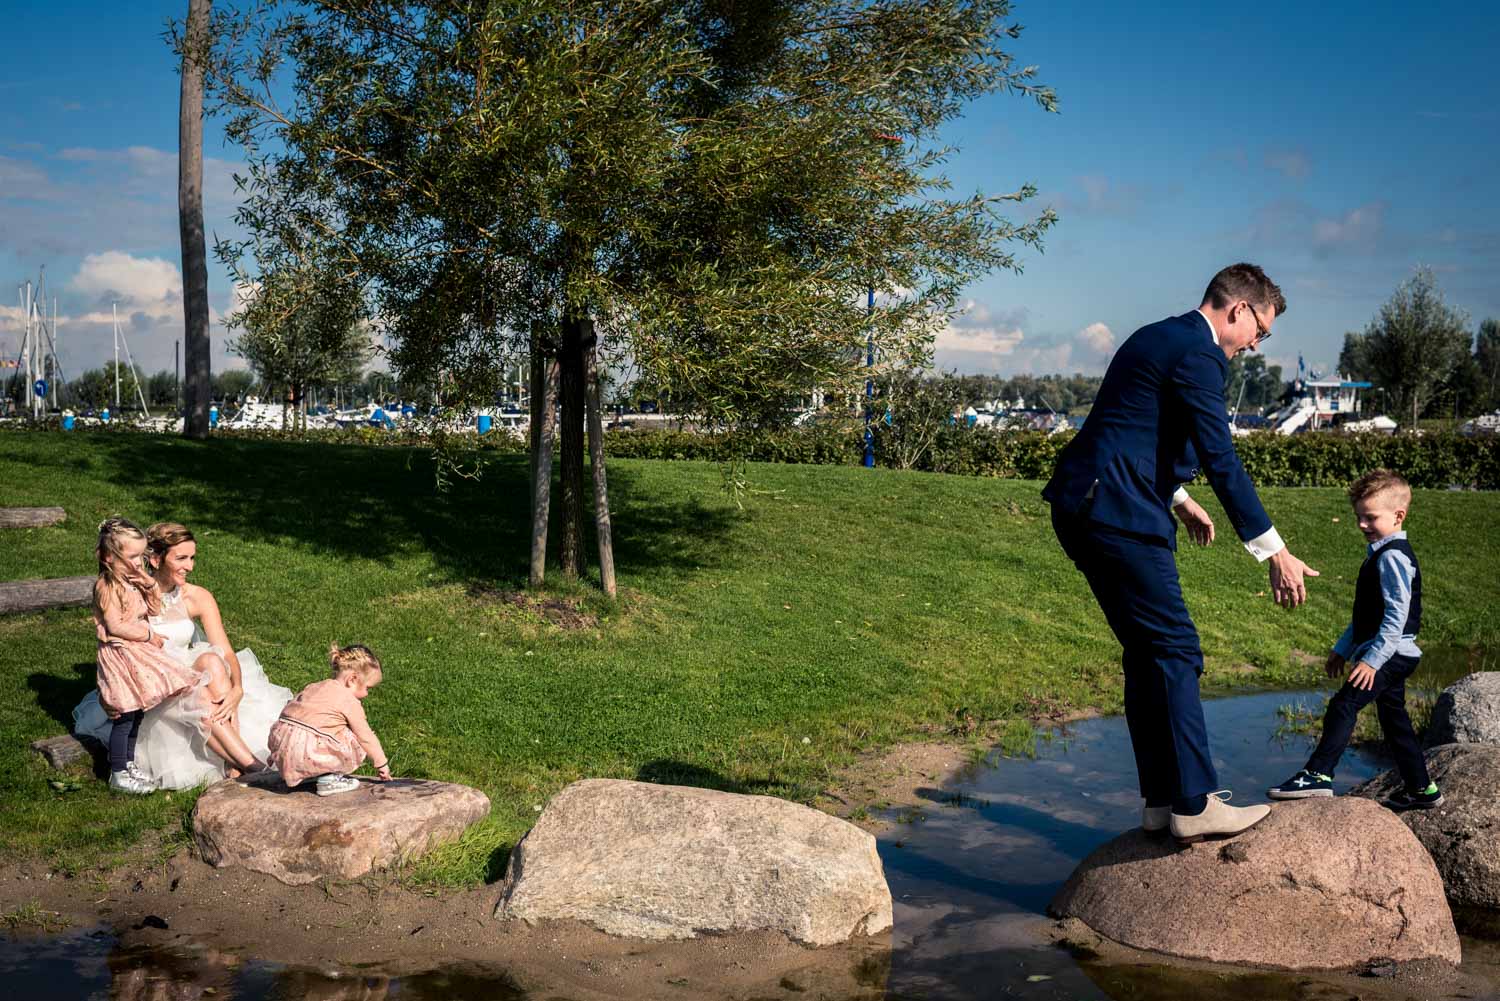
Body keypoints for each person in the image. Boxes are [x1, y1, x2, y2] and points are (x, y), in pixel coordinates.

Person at [1042, 263, 1320, 844]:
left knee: (1148, 653)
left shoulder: (1157, 335)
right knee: (1174, 648)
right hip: (1117, 514)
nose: (1255, 344)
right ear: (1239, 309)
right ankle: (1195, 805)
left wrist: (1178, 498)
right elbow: (1221, 455)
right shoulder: (1200, 352)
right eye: (1260, 331)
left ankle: (1160, 801)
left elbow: (1136, 430)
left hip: (1088, 504)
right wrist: (1274, 551)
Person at [1269, 470, 1441, 809]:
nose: (1362, 524)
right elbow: (1365, 617)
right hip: (1391, 652)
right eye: (1358, 517)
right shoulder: (1380, 553)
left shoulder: (1393, 557)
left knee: (1344, 705)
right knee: (1394, 721)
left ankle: (1318, 774)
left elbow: (1396, 617)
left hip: (1390, 653)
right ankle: (1421, 789)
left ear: (1398, 516)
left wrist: (1372, 660)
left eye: (1371, 517)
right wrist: (1342, 649)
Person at [74, 522, 291, 788]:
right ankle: (250, 766)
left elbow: (224, 649)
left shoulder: (197, 596)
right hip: (151, 682)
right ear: (155, 558)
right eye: (181, 558)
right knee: (195, 693)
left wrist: (238, 688)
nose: (190, 566)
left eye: (192, 557)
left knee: (212, 661)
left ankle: (235, 763)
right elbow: (112, 644)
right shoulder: (129, 591)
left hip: (185, 674)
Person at [88, 518, 206, 794]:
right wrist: (147, 635)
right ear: (108, 557)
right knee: (124, 713)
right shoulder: (107, 586)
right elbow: (115, 625)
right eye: (130, 558)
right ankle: (118, 771)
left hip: (136, 656)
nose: (137, 564)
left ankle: (129, 764)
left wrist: (147, 584)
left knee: (137, 711)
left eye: (140, 557)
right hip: (119, 657)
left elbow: (154, 609)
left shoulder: (133, 582)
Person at [268, 644, 393, 796]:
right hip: (306, 750)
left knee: (321, 730)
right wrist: (382, 763)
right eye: (368, 688)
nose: (367, 694)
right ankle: (329, 779)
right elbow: (365, 736)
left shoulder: (315, 686)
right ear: (352, 679)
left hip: (282, 744)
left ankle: (308, 773)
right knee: (353, 737)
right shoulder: (348, 700)